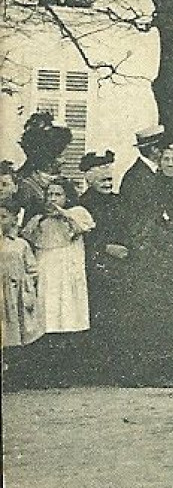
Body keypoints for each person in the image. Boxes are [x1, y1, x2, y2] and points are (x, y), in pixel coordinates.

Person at [113, 143, 173, 387]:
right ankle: (151, 371)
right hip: (153, 259)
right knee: (151, 315)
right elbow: (142, 222)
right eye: (166, 159)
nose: (170, 164)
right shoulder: (151, 186)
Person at [22, 178, 94, 386]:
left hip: (68, 271)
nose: (53, 199)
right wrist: (41, 218)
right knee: (48, 315)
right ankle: (48, 374)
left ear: (67, 196)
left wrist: (61, 213)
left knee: (69, 314)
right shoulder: (39, 220)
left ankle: (70, 372)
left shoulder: (77, 213)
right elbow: (27, 236)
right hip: (47, 270)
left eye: (58, 195)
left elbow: (83, 226)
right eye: (49, 195)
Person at [77, 151, 129, 384]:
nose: (108, 184)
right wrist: (105, 247)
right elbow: (83, 237)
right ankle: (97, 372)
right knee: (99, 318)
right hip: (96, 268)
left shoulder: (119, 201)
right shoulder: (82, 205)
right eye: (102, 180)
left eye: (110, 179)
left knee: (120, 318)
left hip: (122, 266)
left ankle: (117, 369)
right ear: (89, 179)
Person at [2, 196, 43, 361]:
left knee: (16, 330)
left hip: (14, 293)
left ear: (14, 218)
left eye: (4, 217)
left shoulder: (20, 244)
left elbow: (32, 270)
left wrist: (26, 288)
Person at [16, 111, 73, 218]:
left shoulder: (66, 183)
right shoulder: (25, 184)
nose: (65, 160)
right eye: (61, 155)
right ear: (49, 157)